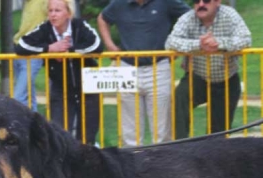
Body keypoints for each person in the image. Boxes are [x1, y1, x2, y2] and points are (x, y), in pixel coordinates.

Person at [97, 0, 190, 146]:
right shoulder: (119, 3)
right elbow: (102, 18)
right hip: (127, 67)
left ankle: (162, 166)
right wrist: (110, 45)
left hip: (159, 67)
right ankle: (133, 167)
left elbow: (190, 16)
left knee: (162, 129)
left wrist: (177, 43)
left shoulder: (167, 2)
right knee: (129, 131)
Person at [15, 0, 103, 144]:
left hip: (88, 88)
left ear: (68, 13)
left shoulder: (79, 25)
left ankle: (86, 164)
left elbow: (96, 45)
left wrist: (69, 51)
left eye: (58, 11)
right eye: (50, 11)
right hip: (60, 87)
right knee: (60, 134)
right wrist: (49, 48)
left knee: (87, 137)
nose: (53, 15)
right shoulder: (44, 28)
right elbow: (21, 46)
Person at [165, 0, 251, 139]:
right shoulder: (188, 18)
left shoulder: (230, 15)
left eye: (206, 1)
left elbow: (246, 40)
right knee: (179, 99)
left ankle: (212, 157)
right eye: (196, 1)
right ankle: (179, 148)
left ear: (217, 2)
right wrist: (199, 44)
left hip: (227, 80)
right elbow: (171, 42)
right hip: (198, 77)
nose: (200, 5)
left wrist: (219, 44)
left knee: (218, 133)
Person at [13, 0, 49, 111]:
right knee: (28, 96)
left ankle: (22, 124)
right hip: (19, 47)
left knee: (18, 97)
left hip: (33, 51)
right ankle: (34, 125)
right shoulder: (27, 3)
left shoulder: (44, 2)